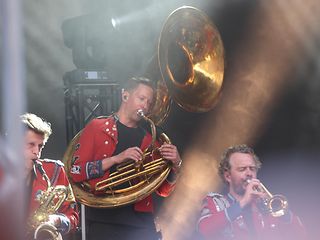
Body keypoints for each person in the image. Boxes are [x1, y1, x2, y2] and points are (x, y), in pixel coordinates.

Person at [70, 77, 182, 240]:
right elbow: (76, 172)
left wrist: (176, 166)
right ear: (125, 96)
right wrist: (116, 159)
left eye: (149, 103)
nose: (145, 106)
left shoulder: (152, 138)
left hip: (141, 223)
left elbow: (163, 190)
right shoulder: (97, 127)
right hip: (104, 220)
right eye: (141, 98)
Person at [197, 144, 306, 240]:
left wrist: (284, 215)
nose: (249, 173)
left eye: (252, 169)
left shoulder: (267, 207)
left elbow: (301, 236)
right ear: (228, 176)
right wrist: (243, 203)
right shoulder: (214, 201)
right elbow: (204, 229)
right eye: (242, 169)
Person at [22, 113, 79, 239]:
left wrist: (56, 220)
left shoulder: (55, 171)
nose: (36, 152)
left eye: (40, 146)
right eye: (30, 144)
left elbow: (73, 217)